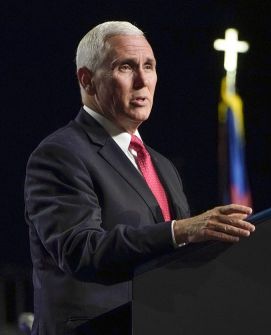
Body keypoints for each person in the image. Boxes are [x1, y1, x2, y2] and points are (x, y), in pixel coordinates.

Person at [24, 21, 255, 334]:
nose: (142, 80)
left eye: (149, 66)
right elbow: (81, 249)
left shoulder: (162, 166)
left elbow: (179, 259)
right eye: (125, 67)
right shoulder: (60, 154)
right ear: (87, 80)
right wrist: (179, 230)